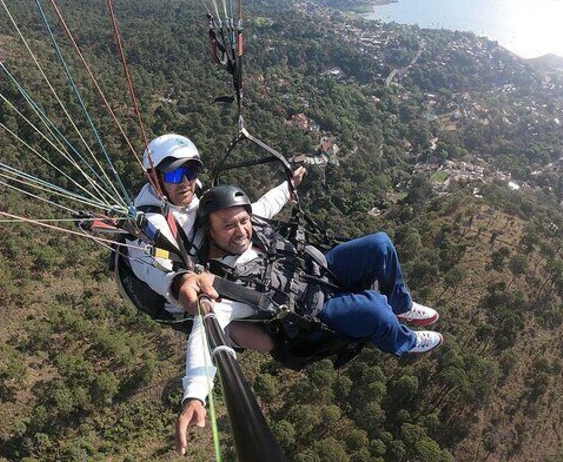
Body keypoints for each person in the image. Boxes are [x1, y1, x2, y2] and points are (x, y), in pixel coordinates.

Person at [173, 185, 443, 455]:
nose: (241, 231)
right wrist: (195, 393)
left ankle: (402, 305)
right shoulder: (222, 286)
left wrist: (289, 184)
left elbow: (268, 203)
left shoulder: (251, 226)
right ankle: (404, 342)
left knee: (380, 244)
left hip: (319, 269)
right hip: (318, 311)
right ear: (210, 231)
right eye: (228, 226)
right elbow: (205, 329)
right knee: (375, 310)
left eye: (244, 220)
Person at [126, 134, 306, 319]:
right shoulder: (150, 222)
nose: (186, 182)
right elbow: (149, 265)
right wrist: (181, 282)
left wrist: (287, 188)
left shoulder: (194, 194)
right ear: (153, 177)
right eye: (175, 175)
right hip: (185, 298)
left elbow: (252, 213)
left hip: (209, 261)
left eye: (191, 172)